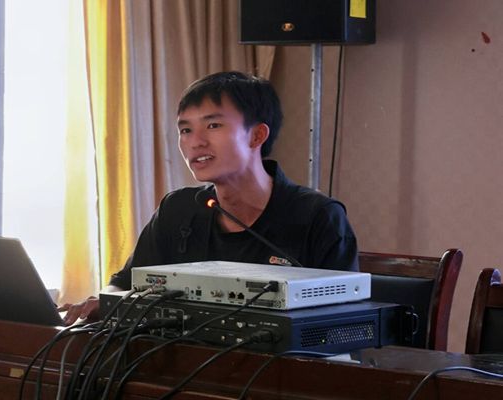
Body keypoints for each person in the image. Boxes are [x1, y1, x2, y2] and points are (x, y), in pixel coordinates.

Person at [59, 71, 358, 325]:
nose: (195, 142)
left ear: (256, 136)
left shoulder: (318, 217)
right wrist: (104, 302)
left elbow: (344, 324)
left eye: (213, 125)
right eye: (185, 130)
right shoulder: (177, 209)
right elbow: (124, 284)